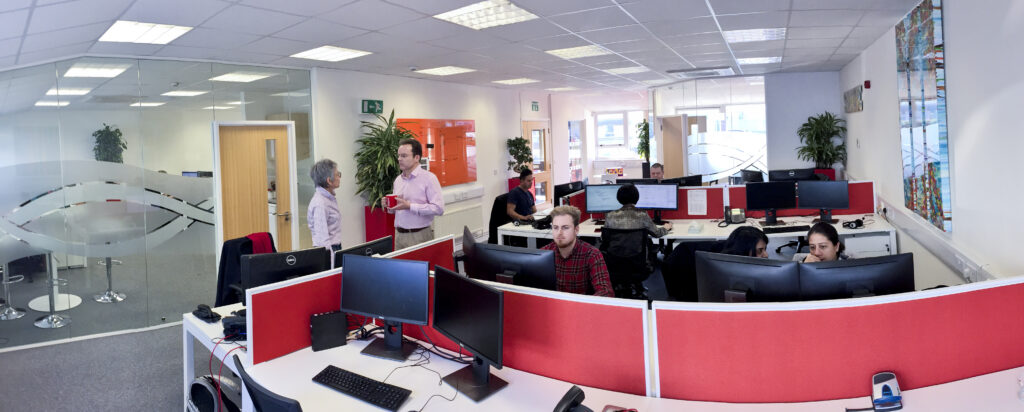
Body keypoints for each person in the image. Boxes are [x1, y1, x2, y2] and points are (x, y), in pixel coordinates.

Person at [384, 138, 444, 250]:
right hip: (399, 235)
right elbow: (396, 210)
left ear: (416, 157)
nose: (399, 159)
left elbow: (439, 209)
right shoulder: (398, 180)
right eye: (399, 155)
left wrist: (410, 206)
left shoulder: (429, 178)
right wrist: (389, 206)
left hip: (419, 235)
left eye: (404, 156)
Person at [541, 206, 613, 297]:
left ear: (576, 230)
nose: (559, 233)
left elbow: (606, 292)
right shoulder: (543, 253)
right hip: (552, 304)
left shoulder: (592, 254)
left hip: (580, 304)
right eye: (555, 228)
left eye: (565, 228)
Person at [604, 184, 672, 236]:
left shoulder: (610, 216)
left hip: (615, 250)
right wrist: (665, 228)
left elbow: (604, 237)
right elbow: (656, 233)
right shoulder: (642, 215)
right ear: (637, 197)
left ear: (618, 198)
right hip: (637, 250)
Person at [307, 158, 343, 251]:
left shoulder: (328, 198)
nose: (339, 177)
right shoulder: (320, 203)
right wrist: (331, 260)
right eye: (337, 174)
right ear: (329, 181)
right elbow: (322, 242)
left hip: (335, 247)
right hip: (329, 250)